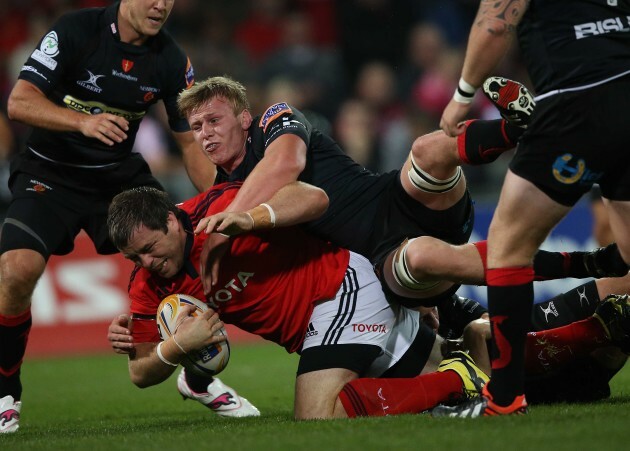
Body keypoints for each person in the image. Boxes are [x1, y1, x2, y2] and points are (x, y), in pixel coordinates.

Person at [106, 183, 630, 416]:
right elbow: (140, 372)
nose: (147, 264)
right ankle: (597, 329)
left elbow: (312, 197)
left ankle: (463, 375)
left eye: (151, 249)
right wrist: (179, 349)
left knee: (317, 412)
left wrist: (253, 217)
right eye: (135, 258)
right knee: (479, 353)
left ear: (175, 220)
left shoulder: (222, 207)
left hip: (341, 290)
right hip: (325, 325)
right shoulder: (147, 284)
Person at [180, 76, 625, 313]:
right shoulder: (225, 194)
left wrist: (228, 226)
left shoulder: (273, 120)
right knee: (423, 257)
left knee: (427, 149)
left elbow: (286, 164)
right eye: (197, 127)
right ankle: (586, 263)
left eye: (214, 120)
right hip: (382, 257)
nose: (205, 134)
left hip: (395, 198)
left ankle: (521, 127)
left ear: (243, 118)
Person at [0, 0, 220, 434]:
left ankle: (198, 378)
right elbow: (19, 102)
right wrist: (81, 123)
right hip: (48, 174)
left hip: (115, 181)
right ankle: (6, 391)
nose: (161, 5)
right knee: (14, 271)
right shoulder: (75, 30)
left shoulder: (171, 59)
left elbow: (191, 145)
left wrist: (222, 204)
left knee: (186, 250)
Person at [436, 0, 630, 416]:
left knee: (507, 248)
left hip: (576, 102)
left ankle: (504, 400)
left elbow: (494, 25)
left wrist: (462, 95)